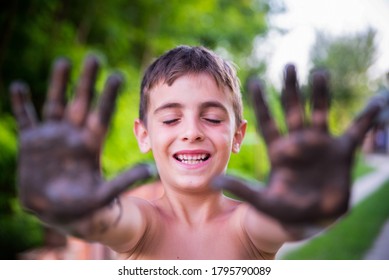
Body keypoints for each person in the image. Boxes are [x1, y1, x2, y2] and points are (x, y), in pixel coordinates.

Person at [10, 45, 383, 260]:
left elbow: (282, 224)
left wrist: (309, 210)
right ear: (144, 135)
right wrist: (73, 211)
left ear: (238, 136)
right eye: (171, 119)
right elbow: (104, 223)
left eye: (211, 117)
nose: (191, 132)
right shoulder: (142, 225)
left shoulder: (247, 228)